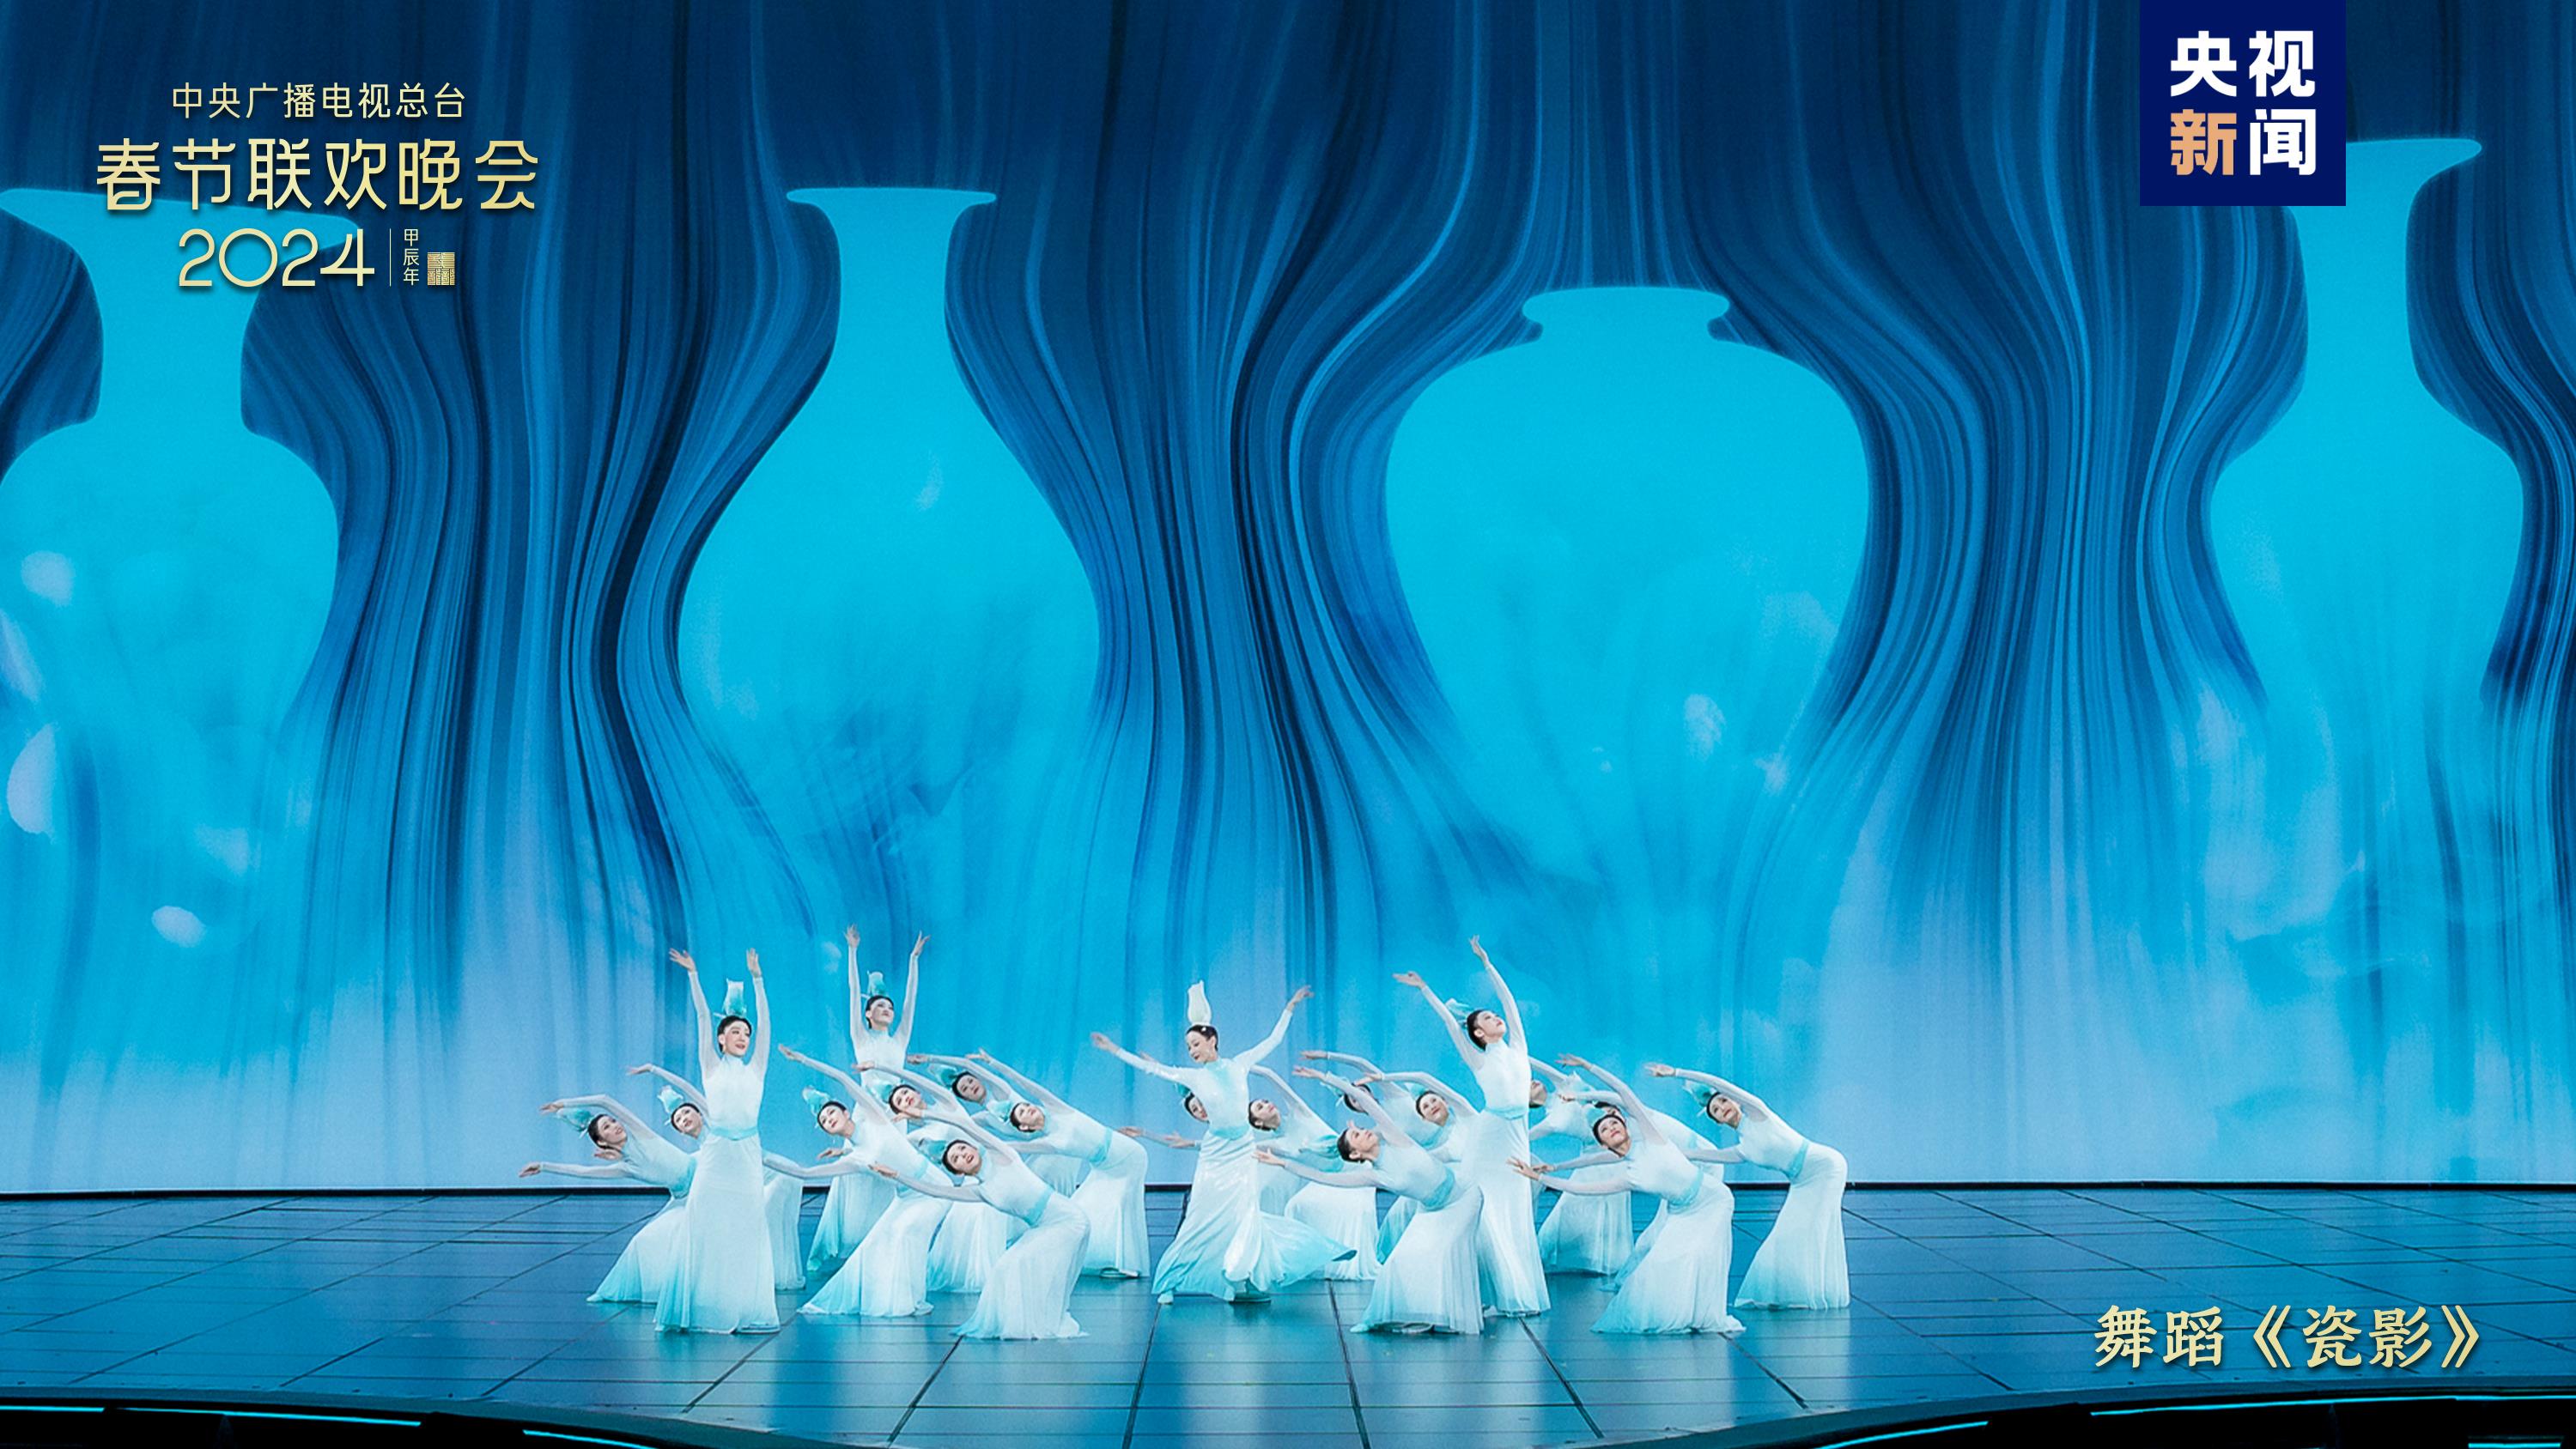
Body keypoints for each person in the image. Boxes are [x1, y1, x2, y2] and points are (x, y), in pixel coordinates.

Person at [1092, 982, 1349, 1302]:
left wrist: (1291, 1007)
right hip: (1216, 1154)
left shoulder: (1239, 1064)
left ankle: (1244, 1279)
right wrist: (1114, 1050)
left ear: (1212, 1040)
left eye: (1196, 1044)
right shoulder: (1194, 1077)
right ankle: (1171, 1280)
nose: (1192, 1051)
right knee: (1201, 1215)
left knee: (1244, 1214)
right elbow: (1152, 1069)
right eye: (1188, 1047)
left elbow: (1273, 1040)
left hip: (1242, 1149)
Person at [1513, 1055, 1740, 1335]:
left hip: (1712, 1196)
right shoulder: (1630, 1173)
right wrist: (1544, 1175)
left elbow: (1621, 1092)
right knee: (1654, 1254)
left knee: (1692, 1254)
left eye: (1613, 1120)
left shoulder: (1648, 1130)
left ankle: (1700, 1309)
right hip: (1682, 1205)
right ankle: (1670, 1299)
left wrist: (1587, 1068)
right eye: (1605, 1128)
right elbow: (1584, 1182)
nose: (1612, 1124)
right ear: (1602, 1142)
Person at [1262, 1065, 1483, 1335]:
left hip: (1462, 1197)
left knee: (1445, 1252)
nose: (1364, 1132)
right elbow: (1324, 1177)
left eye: (1359, 1130)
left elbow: (1364, 1099)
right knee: (1397, 1263)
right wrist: (1284, 1163)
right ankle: (1397, 1316)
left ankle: (1449, 1314)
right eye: (1356, 1136)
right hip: (1431, 1210)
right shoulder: (1375, 1175)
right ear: (1355, 1155)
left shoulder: (1395, 1138)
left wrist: (1326, 1077)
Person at [869, 1067, 1087, 1339]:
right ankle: (1024, 1324)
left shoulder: (1004, 1156)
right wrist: (897, 1175)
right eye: (957, 1159)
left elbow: (964, 1126)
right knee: (1004, 1271)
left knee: (1020, 1265)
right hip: (1045, 1226)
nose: (963, 1155)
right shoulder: (982, 1191)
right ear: (957, 1171)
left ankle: (1038, 1321)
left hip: (1068, 1221)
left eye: (963, 1149)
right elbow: (935, 1190)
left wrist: (923, 1112)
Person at [1392, 937, 1546, 1314]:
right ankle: (1461, 1280)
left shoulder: (1519, 1048)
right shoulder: (1480, 1060)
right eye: (1487, 1019)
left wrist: (1487, 964)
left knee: (1514, 1209)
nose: (1497, 1018)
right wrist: (1425, 989)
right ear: (1478, 1033)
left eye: (1494, 1016)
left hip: (1516, 1136)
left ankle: (1514, 1288)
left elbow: (1510, 1005)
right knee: (1482, 1206)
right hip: (1489, 1138)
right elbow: (1450, 1024)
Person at [1650, 1064, 1849, 1309]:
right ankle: (1794, 1293)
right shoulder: (1743, 1149)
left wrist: (1676, 1073)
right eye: (1716, 1110)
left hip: (1825, 1167)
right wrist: (1663, 1152)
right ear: (1717, 1121)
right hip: (1800, 1182)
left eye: (1723, 1101)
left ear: (1734, 1100)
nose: (1722, 1108)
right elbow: (1697, 1154)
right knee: (1784, 1237)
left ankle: (1814, 1293)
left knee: (1813, 1229)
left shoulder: (1758, 1113)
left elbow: (1718, 1083)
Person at [654, 949, 779, 1332]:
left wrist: (758, 979)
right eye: (735, 1032)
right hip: (716, 1154)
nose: (743, 1037)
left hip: (747, 1155)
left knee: (747, 1225)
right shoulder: (710, 1065)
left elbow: (766, 1025)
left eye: (746, 1033)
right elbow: (702, 1018)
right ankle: (700, 1304)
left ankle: (740, 1305)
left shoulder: (756, 1068)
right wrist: (694, 975)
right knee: (704, 1221)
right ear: (721, 1038)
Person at [963, 1049, 1151, 1278]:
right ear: (1024, 1127)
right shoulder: (1050, 1142)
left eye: (1026, 1106)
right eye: (1023, 1113)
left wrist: (991, 1062)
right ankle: (1110, 1261)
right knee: (1085, 1210)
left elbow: (1024, 1083)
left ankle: (1126, 1265)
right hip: (1104, 1166)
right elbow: (1011, 1146)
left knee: (1118, 1203)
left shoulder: (1057, 1109)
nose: (1028, 1108)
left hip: (1126, 1155)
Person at [522, 1095, 694, 1304]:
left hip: (702, 1179)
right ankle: (619, 1291)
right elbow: (583, 1172)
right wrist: (543, 1166)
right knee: (642, 1241)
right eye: (607, 1127)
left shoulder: (641, 1134)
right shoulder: (626, 1167)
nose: (615, 1125)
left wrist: (564, 1104)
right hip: (682, 1198)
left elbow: (604, 1100)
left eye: (612, 1121)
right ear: (602, 1142)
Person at [1249, 1065, 1379, 1280]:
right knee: (1295, 1206)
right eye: (1260, 1108)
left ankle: (1344, 1258)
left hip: (1355, 1169)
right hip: (1329, 1180)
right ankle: (1312, 1258)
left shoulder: (1300, 1114)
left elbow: (1273, 1077)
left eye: (1264, 1101)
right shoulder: (1277, 1144)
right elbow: (1242, 1147)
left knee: (1351, 1208)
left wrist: (1248, 1066)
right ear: (1258, 1123)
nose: (1267, 1104)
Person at [1529, 1060, 1635, 1276]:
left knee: (1606, 1215)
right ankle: (1560, 1260)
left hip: (1612, 1157)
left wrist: (1514, 1054)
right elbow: (1524, 1137)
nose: (1531, 1082)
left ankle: (1603, 1262)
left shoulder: (1564, 1086)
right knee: (1565, 1217)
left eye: (1529, 1079)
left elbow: (1540, 1066)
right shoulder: (1552, 1121)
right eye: (1525, 1086)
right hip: (1590, 1162)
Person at [848, 926, 926, 1076]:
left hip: (901, 1091)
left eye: (890, 1008)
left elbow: (911, 999)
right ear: (868, 1013)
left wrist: (914, 959)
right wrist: (852, 950)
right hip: (867, 1092)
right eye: (881, 1006)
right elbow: (854, 991)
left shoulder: (899, 1041)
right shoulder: (861, 1038)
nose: (887, 1009)